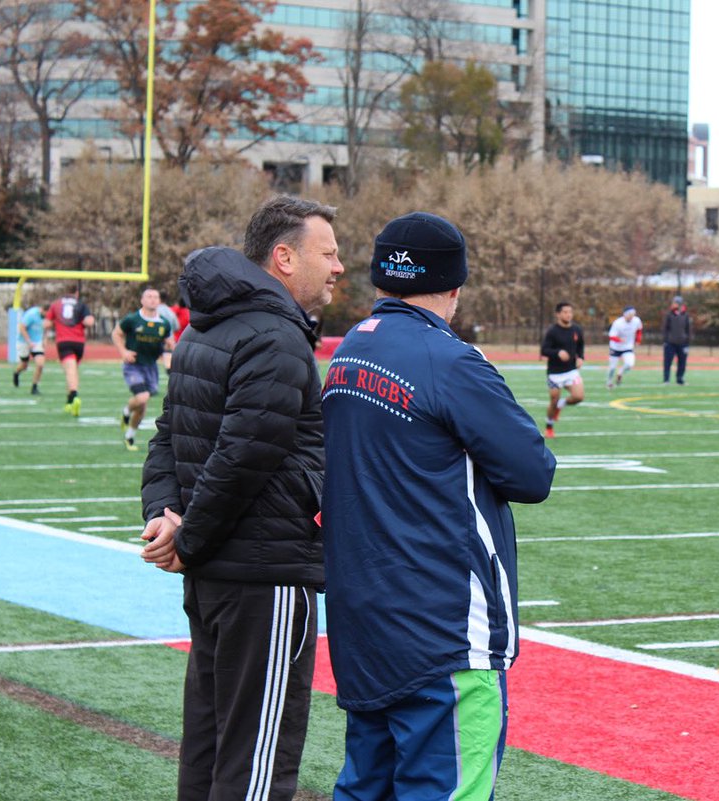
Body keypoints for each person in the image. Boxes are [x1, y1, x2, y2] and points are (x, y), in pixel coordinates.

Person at [320, 211, 556, 801]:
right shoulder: (449, 359)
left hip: (364, 618)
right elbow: (532, 474)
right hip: (441, 625)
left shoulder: (349, 350)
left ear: (379, 279)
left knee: (365, 786)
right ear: (454, 285)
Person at [139, 195, 343, 801]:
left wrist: (166, 519)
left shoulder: (209, 328)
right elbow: (244, 455)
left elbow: (166, 441)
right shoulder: (276, 337)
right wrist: (187, 535)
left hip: (215, 575)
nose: (338, 268)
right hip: (263, 575)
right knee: (255, 764)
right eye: (328, 254)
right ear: (284, 257)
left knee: (208, 752)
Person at [111, 287, 175, 451]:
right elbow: (116, 333)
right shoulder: (132, 319)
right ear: (142, 300)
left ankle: (129, 436)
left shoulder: (164, 324)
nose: (152, 299)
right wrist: (123, 352)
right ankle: (126, 411)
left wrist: (170, 357)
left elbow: (170, 344)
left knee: (142, 407)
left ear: (159, 301)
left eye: (155, 297)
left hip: (151, 368)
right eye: (149, 296)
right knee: (142, 398)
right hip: (133, 366)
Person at [44, 284, 95, 416]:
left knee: (70, 371)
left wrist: (56, 321)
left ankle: (74, 395)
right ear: (76, 293)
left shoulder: (56, 304)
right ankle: (68, 402)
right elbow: (89, 321)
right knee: (71, 371)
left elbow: (46, 323)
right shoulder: (80, 304)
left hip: (64, 341)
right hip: (79, 342)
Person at [540, 300, 585, 438]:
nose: (569, 315)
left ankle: (562, 404)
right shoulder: (552, 331)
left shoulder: (577, 329)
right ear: (558, 314)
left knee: (579, 397)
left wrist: (580, 358)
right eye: (565, 312)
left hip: (571, 371)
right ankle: (549, 426)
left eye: (570, 312)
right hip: (554, 373)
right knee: (553, 401)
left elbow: (580, 346)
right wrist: (558, 352)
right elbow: (544, 350)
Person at [12, 302, 46, 395]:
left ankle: (34, 387)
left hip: (37, 342)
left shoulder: (46, 316)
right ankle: (16, 373)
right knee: (24, 365)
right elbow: (22, 327)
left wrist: (44, 339)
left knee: (40, 364)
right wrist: (29, 341)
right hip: (24, 342)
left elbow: (45, 327)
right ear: (42, 310)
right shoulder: (31, 314)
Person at [606, 306, 642, 388]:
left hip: (627, 347)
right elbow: (611, 336)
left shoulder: (636, 321)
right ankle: (609, 381)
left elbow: (639, 330)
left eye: (633, 314)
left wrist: (638, 340)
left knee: (630, 364)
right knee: (612, 367)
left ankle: (620, 372)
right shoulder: (618, 323)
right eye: (629, 314)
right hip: (615, 347)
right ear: (625, 314)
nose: (631, 316)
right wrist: (619, 340)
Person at [661, 295, 691, 385]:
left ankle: (680, 379)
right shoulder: (669, 314)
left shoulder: (685, 315)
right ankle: (666, 380)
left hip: (682, 343)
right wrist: (666, 341)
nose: (673, 304)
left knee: (682, 362)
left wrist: (687, 342)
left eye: (675, 302)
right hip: (670, 343)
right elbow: (665, 328)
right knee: (667, 362)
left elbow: (688, 329)